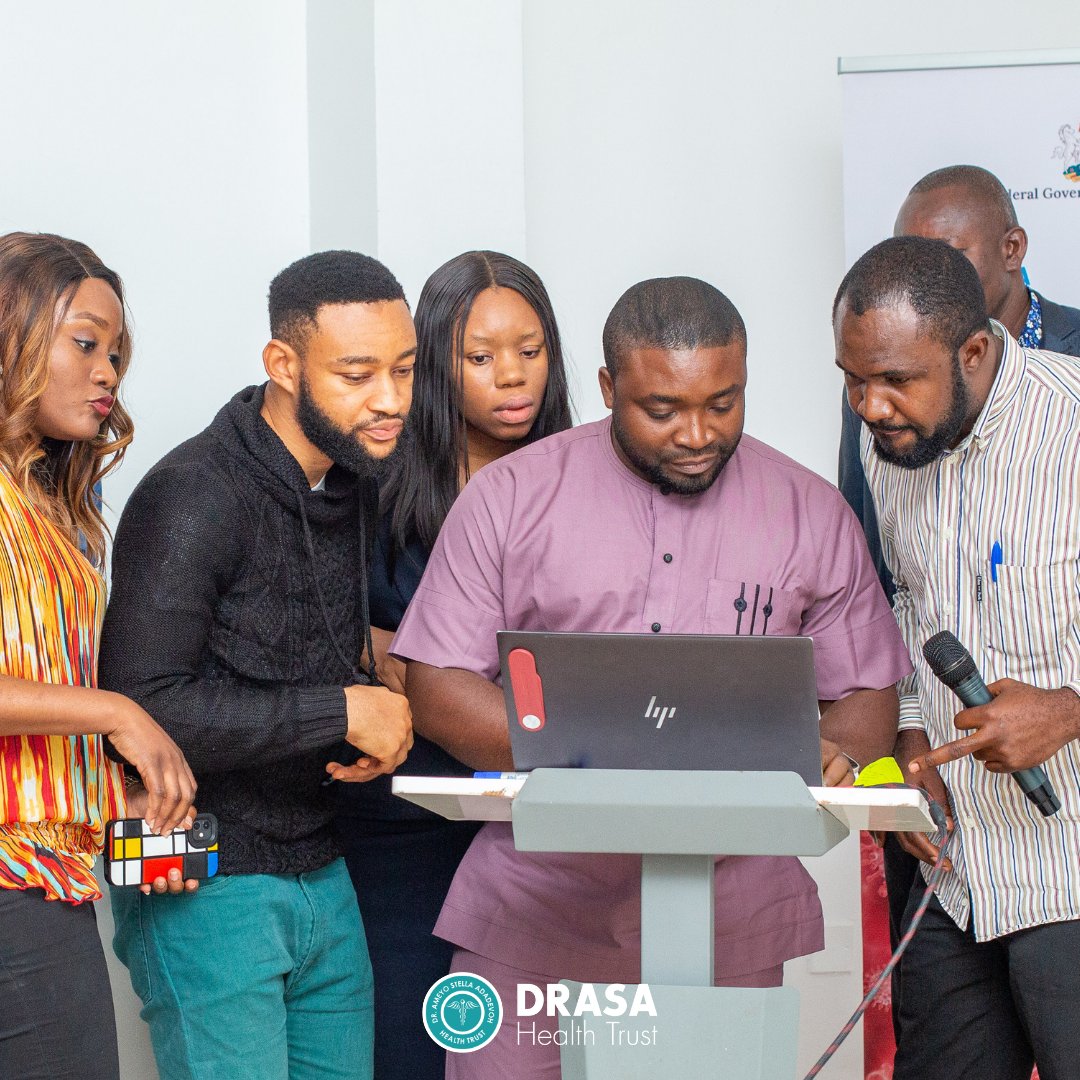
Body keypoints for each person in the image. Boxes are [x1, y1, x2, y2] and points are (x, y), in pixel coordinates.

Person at [392, 275, 913, 1079]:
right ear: (607, 388)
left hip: (731, 918)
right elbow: (436, 680)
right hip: (534, 911)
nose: (697, 433)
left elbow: (865, 698)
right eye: (662, 410)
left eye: (724, 403)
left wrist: (834, 748)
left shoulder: (811, 511)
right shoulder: (509, 497)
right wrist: (584, 753)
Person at [99, 250, 415, 1080]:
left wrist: (381, 695)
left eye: (404, 369)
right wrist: (344, 711)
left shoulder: (354, 480)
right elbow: (138, 706)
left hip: (323, 865)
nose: (390, 399)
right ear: (282, 365)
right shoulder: (193, 493)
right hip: (202, 878)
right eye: (356, 374)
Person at [833, 235, 1080, 1080]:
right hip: (958, 871)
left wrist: (1071, 709)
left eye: (896, 379)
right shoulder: (889, 447)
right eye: (852, 378)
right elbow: (904, 605)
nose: (870, 406)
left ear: (973, 351)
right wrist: (906, 738)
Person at [334, 250, 572, 1080]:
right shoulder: (377, 480)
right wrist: (417, 665)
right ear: (436, 365)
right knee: (408, 1045)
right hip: (405, 823)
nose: (512, 376)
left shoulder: (586, 476)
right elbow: (331, 623)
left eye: (530, 350)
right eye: (480, 357)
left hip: (552, 827)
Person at [0, 232, 197, 1080]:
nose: (108, 370)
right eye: (84, 341)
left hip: (50, 876)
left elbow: (48, 683)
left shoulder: (60, 507)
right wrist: (119, 714)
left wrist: (129, 805)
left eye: (116, 351)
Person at [839, 164, 1080, 600]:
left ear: (1012, 249)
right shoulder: (874, 390)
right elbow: (867, 540)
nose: (919, 276)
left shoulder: (1067, 397)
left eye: (947, 255)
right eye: (907, 256)